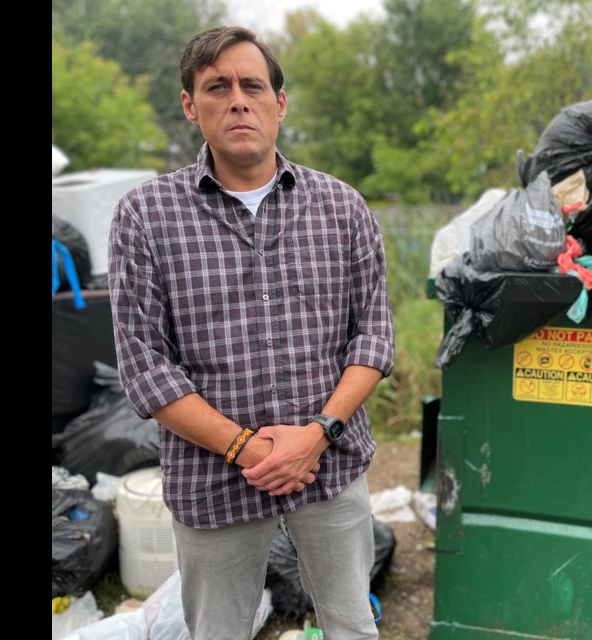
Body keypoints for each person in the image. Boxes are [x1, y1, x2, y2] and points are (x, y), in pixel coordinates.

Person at [108, 26, 394, 640]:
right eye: (217, 87)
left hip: (331, 466)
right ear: (190, 104)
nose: (238, 100)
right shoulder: (146, 216)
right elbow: (145, 368)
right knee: (218, 632)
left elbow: (372, 338)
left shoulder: (342, 207)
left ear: (279, 103)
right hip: (212, 479)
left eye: (252, 85)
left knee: (350, 623)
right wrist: (247, 448)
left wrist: (318, 434)